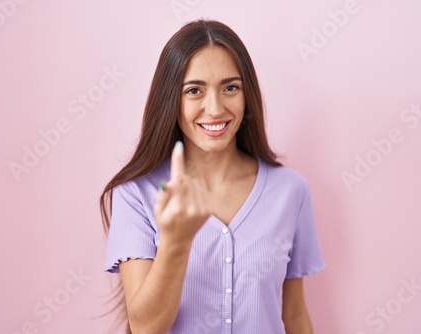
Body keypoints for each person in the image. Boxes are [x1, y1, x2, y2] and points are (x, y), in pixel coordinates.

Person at [100, 19, 326, 334]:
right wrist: (175, 242)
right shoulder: (136, 194)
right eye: (194, 90)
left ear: (247, 95)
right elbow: (145, 327)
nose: (215, 108)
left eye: (230, 87)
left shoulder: (291, 191)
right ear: (171, 101)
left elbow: (295, 314)